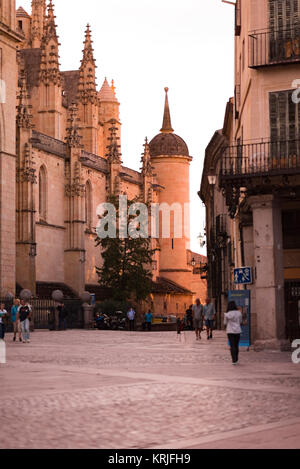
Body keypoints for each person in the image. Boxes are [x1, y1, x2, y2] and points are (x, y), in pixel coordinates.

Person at [224, 301, 243, 365]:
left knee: (232, 345)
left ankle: (233, 360)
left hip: (230, 331)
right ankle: (236, 359)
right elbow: (240, 321)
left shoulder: (227, 314)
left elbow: (225, 323)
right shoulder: (239, 313)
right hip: (237, 330)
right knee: (236, 345)